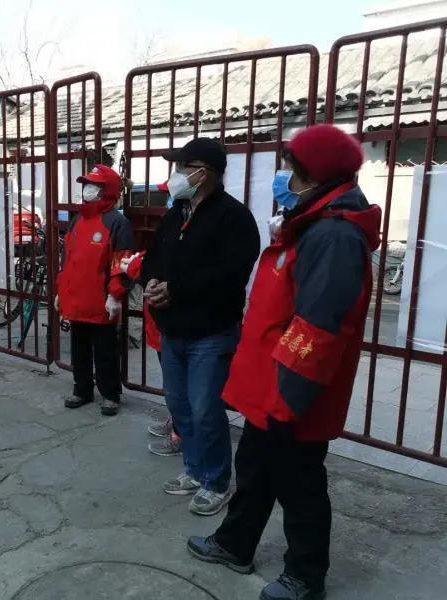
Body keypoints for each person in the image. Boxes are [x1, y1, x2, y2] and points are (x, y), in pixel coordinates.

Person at [187, 125, 381, 600]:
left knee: (301, 484)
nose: (282, 177)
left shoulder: (335, 236)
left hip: (295, 390)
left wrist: (289, 398)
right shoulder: (312, 222)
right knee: (255, 467)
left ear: (314, 176)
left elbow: (318, 327)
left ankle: (306, 576)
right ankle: (235, 543)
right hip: (272, 385)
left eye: (289, 169)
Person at [139, 138, 260, 516]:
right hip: (172, 329)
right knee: (179, 404)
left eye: (181, 167)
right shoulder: (177, 211)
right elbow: (154, 256)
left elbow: (230, 273)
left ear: (202, 173)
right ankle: (194, 468)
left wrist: (177, 290)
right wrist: (150, 281)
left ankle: (217, 480)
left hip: (210, 331)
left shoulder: (234, 217)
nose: (175, 174)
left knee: (206, 408)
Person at [55, 164, 135, 416]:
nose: (88, 189)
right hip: (77, 298)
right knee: (78, 349)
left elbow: (122, 263)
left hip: (101, 301)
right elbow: (68, 261)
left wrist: (115, 295)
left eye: (95, 185)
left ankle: (110, 394)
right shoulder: (78, 220)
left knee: (105, 351)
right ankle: (82, 389)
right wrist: (61, 291)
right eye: (87, 184)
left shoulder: (117, 222)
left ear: (107, 190)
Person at [121, 181, 180, 455]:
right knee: (173, 382)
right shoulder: (172, 222)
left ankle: (181, 432)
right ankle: (177, 421)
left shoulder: (188, 226)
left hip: (177, 321)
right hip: (160, 320)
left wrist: (138, 266)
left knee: (181, 385)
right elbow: (155, 260)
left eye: (168, 195)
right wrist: (143, 267)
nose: (165, 200)